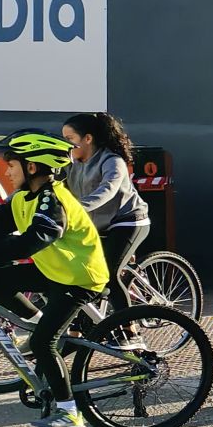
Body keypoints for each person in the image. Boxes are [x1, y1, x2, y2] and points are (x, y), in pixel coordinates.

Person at [0, 130, 110, 427]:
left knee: (43, 343)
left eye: (12, 164)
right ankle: (46, 326)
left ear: (32, 167)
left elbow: (36, 239)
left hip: (79, 277)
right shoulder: (24, 199)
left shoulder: (52, 200)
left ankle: (70, 414)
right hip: (54, 271)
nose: (6, 171)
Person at [62, 112, 149, 315]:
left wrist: (76, 209)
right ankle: (79, 331)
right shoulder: (70, 165)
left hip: (128, 221)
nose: (66, 145)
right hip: (98, 223)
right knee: (83, 274)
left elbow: (107, 190)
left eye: (70, 139)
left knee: (108, 275)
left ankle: (129, 331)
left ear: (88, 138)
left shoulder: (111, 161)